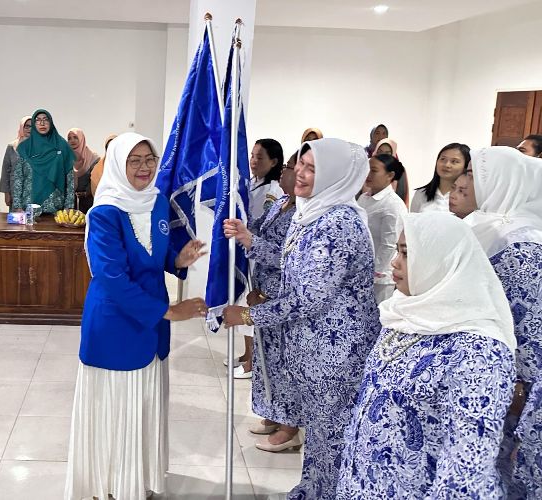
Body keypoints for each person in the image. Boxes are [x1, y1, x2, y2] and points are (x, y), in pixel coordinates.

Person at [224, 138, 381, 499]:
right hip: (311, 348)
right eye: (302, 165)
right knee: (320, 433)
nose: (302, 174)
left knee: (332, 437)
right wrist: (250, 241)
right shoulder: (312, 212)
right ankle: (313, 489)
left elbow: (310, 297)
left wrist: (248, 315)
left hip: (336, 352)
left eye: (313, 168)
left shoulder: (339, 222)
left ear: (337, 175)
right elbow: (291, 262)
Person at [64, 132, 208, 500]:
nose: (145, 168)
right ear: (117, 164)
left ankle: (135, 479)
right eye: (135, 160)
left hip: (149, 324)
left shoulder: (156, 202)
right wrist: (170, 311)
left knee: (141, 407)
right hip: (115, 324)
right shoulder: (105, 213)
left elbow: (151, 256)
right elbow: (112, 278)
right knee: (115, 409)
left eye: (149, 159)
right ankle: (107, 484)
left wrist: (177, 260)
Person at [337, 213, 516, 498]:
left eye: (407, 254)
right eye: (397, 250)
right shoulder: (406, 312)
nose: (395, 262)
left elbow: (466, 468)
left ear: (442, 260)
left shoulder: (478, 351)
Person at [466, 146, 542, 499]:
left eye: (473, 175)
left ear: (502, 183)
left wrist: (517, 383)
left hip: (512, 381)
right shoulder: (489, 227)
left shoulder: (520, 245)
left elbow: (527, 325)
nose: (464, 182)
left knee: (504, 468)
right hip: (486, 367)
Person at [223, 151, 301, 451]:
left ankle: (289, 426)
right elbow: (258, 228)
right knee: (267, 359)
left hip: (282, 295)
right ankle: (272, 413)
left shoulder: (303, 215)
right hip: (263, 289)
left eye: (291, 168)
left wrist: (250, 242)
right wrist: (238, 222)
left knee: (284, 362)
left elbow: (288, 257)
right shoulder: (281, 203)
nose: (285, 173)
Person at [229, 138, 285, 379]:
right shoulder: (254, 183)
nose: (253, 161)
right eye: (252, 155)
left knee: (249, 305)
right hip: (248, 248)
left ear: (273, 162)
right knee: (243, 301)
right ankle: (246, 353)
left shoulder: (272, 191)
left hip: (257, 252)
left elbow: (260, 226)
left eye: (259, 157)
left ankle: (252, 361)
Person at [358, 154, 408, 304]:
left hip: (380, 276)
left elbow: (389, 244)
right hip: (362, 267)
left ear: (390, 175)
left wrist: (375, 271)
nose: (368, 174)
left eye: (374, 170)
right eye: (367, 169)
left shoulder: (392, 204)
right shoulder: (363, 198)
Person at [12, 109, 75, 214]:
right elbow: (18, 178)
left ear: (51, 123)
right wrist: (17, 206)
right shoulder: (25, 148)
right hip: (29, 207)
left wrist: (69, 207)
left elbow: (70, 179)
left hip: (56, 207)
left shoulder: (62, 146)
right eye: (38, 120)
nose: (42, 123)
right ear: (34, 124)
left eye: (46, 120)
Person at [410, 143, 470, 213]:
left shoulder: (470, 197)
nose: (447, 165)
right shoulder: (421, 193)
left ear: (466, 167)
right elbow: (413, 221)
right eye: (443, 159)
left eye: (454, 161)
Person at [0, 115, 31, 207]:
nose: (30, 129)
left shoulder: (38, 147)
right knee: (17, 218)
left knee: (32, 219)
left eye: (33, 126)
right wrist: (6, 193)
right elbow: (5, 172)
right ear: (22, 127)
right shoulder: (12, 146)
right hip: (15, 191)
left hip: (32, 191)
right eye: (27, 126)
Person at [67, 127, 100, 212]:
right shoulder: (66, 158)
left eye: (75, 137)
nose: (72, 140)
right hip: (70, 202)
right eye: (69, 138)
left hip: (88, 201)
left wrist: (86, 192)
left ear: (82, 139)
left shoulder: (93, 158)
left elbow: (95, 180)